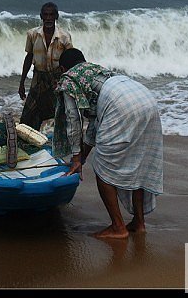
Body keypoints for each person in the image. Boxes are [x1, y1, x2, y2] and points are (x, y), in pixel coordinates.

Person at [54, 48, 163, 239]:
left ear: (63, 68)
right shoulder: (96, 70)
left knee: (103, 168)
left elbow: (73, 119)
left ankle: (118, 227)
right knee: (137, 162)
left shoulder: (68, 78)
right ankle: (139, 223)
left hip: (121, 105)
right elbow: (95, 125)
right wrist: (82, 157)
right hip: (145, 98)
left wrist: (76, 158)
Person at [18, 2, 73, 131]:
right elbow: (29, 57)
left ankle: (62, 144)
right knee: (28, 115)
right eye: (46, 15)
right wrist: (21, 83)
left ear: (56, 16)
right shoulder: (32, 34)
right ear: (41, 16)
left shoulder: (64, 37)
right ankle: (29, 141)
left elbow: (70, 60)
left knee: (61, 114)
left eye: (51, 15)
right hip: (38, 78)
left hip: (57, 79)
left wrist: (68, 82)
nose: (48, 18)